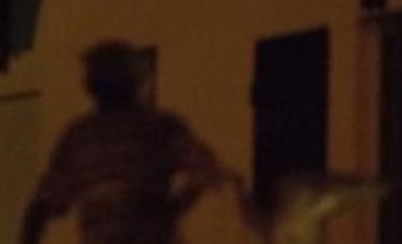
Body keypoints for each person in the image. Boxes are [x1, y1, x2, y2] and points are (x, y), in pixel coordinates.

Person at [20, 41, 246, 244]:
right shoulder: (159, 127)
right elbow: (207, 171)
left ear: (91, 85)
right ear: (134, 80)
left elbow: (41, 207)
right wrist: (170, 212)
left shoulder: (79, 137)